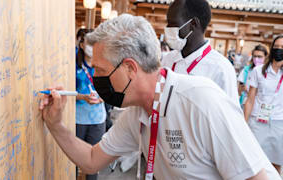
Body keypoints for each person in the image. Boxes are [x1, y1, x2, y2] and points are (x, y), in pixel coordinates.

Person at [40, 14, 281, 180]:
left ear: (130, 68)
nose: (96, 79)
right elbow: (92, 160)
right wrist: (55, 124)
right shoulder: (137, 113)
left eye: (101, 71)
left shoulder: (201, 102)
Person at [163, 0, 239, 104]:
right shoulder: (168, 59)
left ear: (193, 24)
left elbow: (231, 116)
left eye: (173, 24)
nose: (167, 29)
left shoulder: (220, 68)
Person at [244, 35, 283, 174]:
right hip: (258, 122)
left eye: (282, 48)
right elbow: (250, 99)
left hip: (279, 124)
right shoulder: (258, 71)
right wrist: (244, 123)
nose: (279, 50)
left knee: (276, 164)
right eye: (276, 47)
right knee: (254, 162)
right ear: (272, 49)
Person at [75, 28, 106, 180]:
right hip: (78, 120)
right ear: (81, 45)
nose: (92, 47)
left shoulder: (104, 63)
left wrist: (103, 98)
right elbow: (67, 92)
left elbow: (114, 89)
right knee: (74, 160)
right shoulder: (74, 64)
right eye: (89, 43)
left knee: (94, 163)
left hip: (98, 120)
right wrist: (82, 97)